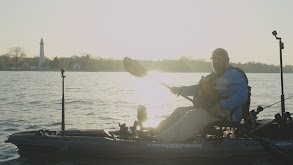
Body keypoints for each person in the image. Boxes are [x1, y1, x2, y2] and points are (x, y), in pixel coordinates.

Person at [153, 48, 248, 142]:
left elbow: (241, 96)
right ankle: (155, 133)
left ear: (227, 60)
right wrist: (181, 90)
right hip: (209, 109)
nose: (215, 62)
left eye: (219, 59)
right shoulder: (212, 76)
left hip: (228, 113)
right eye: (214, 59)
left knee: (193, 115)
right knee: (179, 111)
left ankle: (161, 140)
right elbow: (197, 89)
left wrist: (221, 104)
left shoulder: (234, 75)